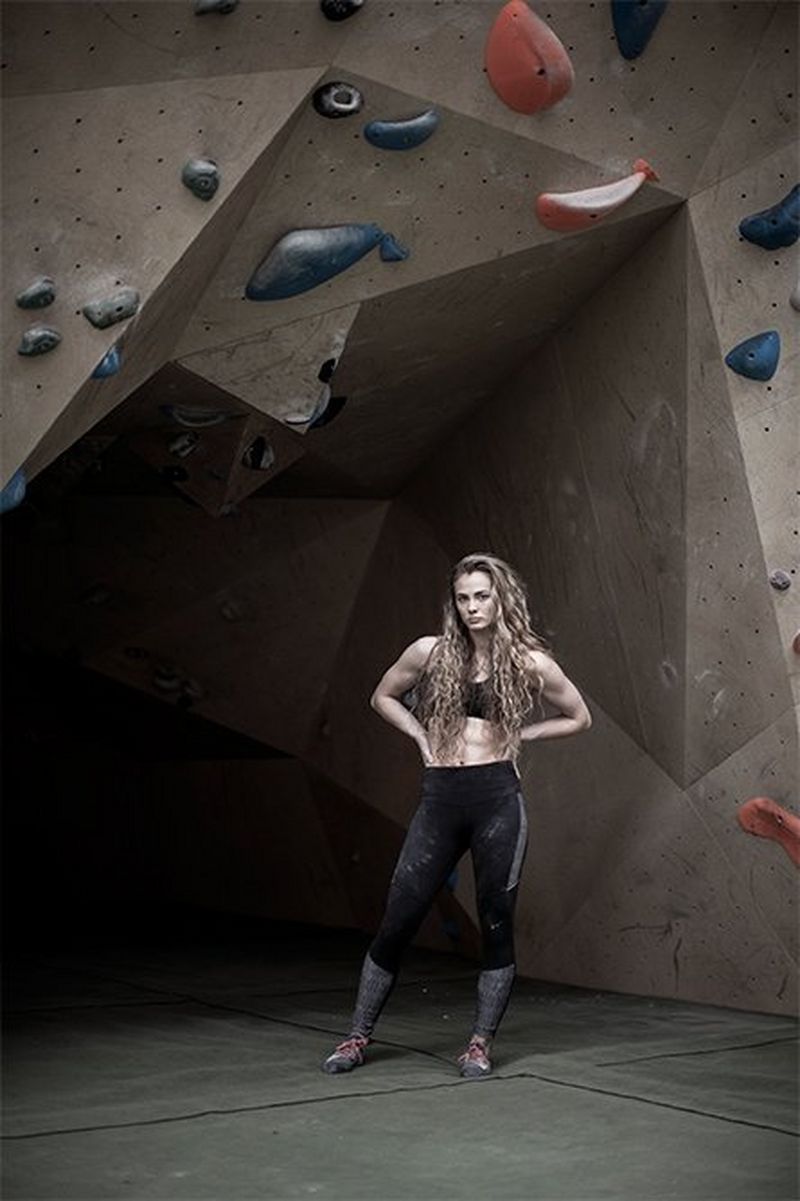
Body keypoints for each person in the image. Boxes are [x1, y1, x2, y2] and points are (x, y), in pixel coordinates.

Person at [321, 552, 592, 1079]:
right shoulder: (430, 652)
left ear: (501, 599)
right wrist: (421, 735)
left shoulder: (529, 662)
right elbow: (383, 697)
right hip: (441, 796)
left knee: (495, 920)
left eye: (482, 596)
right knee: (399, 918)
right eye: (463, 597)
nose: (471, 607)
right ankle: (356, 1037)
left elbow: (579, 717)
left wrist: (523, 735)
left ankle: (478, 1043)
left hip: (496, 797)